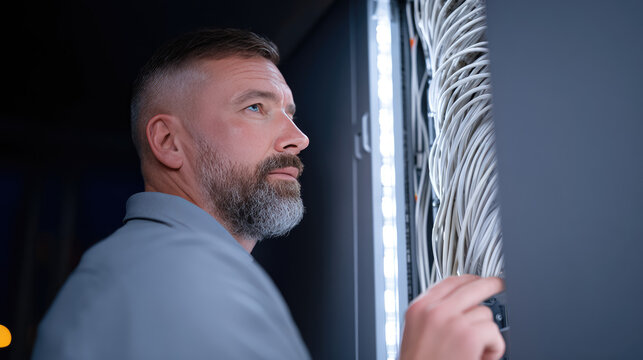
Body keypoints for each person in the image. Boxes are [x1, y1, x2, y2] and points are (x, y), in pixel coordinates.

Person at [32, 28, 505, 359]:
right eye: (256, 107)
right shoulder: (179, 275)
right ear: (168, 143)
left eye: (290, 112)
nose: (297, 138)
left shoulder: (148, 266)